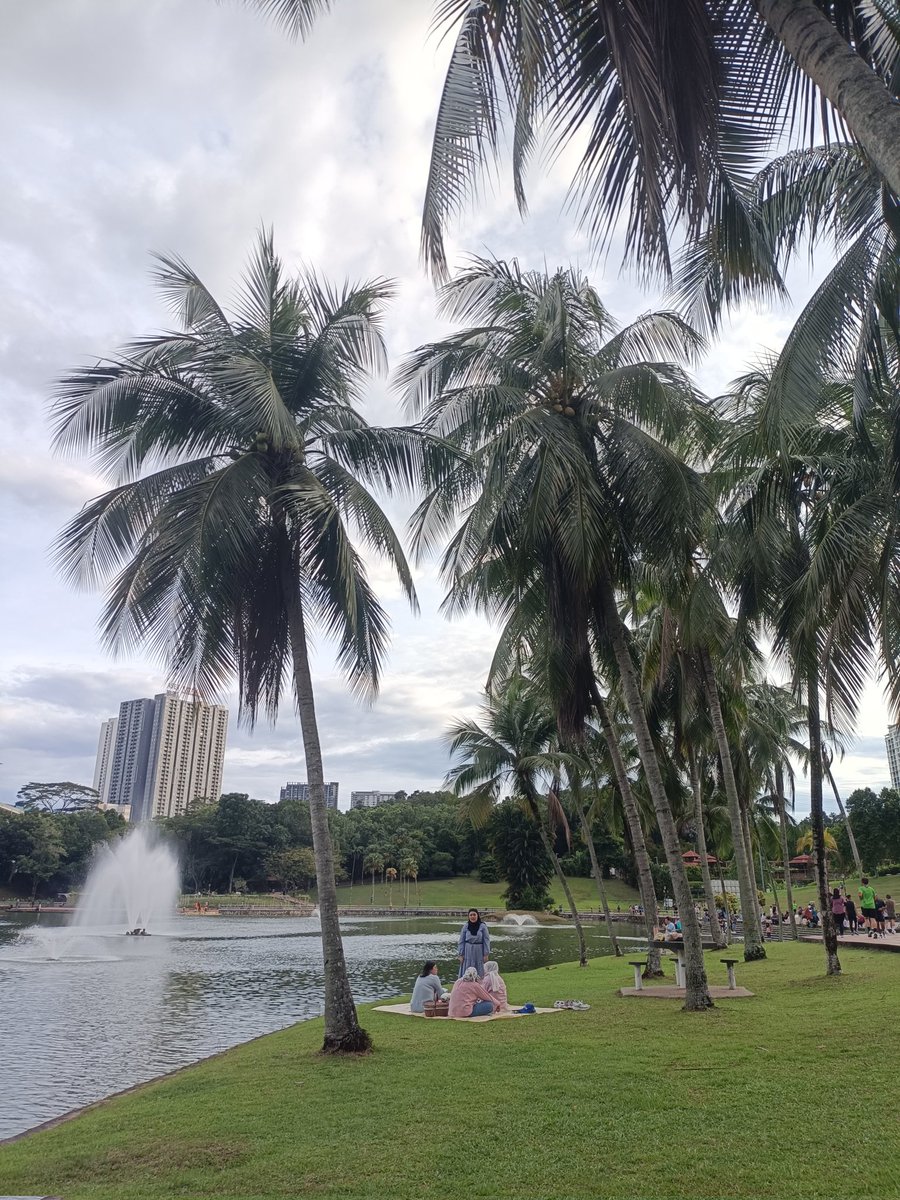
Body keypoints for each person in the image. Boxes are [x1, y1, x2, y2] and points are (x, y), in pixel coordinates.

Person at [458, 909, 490, 978]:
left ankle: (479, 985)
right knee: (467, 967)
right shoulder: (466, 926)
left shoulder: (483, 926)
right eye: (471, 915)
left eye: (474, 915)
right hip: (468, 951)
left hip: (479, 951)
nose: (472, 917)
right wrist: (461, 954)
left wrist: (486, 954)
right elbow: (461, 940)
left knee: (479, 968)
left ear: (477, 916)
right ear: (468, 916)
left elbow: (486, 940)